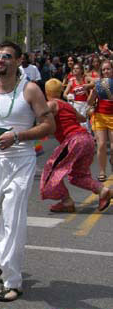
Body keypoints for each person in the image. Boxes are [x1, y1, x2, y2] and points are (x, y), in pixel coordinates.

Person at [0, 41, 55, 302]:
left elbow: (48, 125)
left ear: (18, 61)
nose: (0, 60)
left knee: (12, 221)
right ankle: (6, 261)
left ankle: (12, 282)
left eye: (7, 56)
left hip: (20, 159)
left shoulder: (30, 90)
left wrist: (17, 136)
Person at [40, 79, 111, 213]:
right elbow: (82, 119)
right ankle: (103, 191)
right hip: (87, 140)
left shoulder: (52, 104)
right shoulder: (67, 105)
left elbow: (43, 112)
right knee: (77, 176)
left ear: (46, 91)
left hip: (74, 140)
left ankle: (66, 201)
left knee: (51, 169)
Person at [87, 59, 113, 181]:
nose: (106, 71)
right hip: (100, 116)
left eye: (108, 68)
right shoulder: (98, 84)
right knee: (101, 145)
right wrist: (93, 94)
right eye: (104, 69)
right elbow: (89, 102)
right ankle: (102, 171)